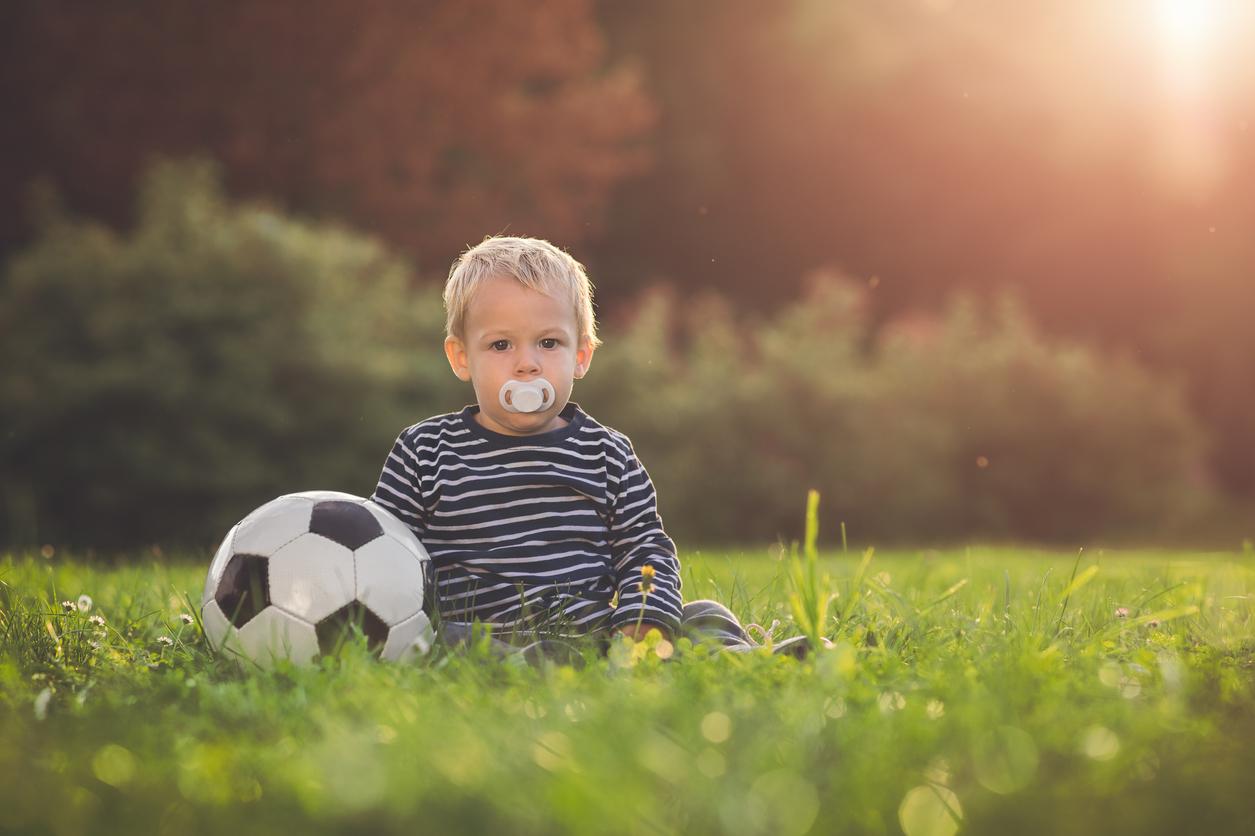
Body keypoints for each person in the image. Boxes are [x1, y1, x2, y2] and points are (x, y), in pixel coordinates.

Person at [371, 236, 818, 659]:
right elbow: (382, 552)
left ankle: (749, 660)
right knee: (441, 638)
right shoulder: (424, 451)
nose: (527, 363)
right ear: (461, 357)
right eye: (501, 344)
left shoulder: (607, 454)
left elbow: (643, 547)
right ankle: (527, 664)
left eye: (549, 343)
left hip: (591, 633)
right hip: (480, 634)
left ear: (581, 355)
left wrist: (642, 618)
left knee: (702, 615)